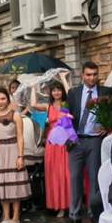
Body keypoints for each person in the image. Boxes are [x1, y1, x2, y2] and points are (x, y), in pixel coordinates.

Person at [64, 62, 107, 223]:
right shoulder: (73, 93)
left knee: (94, 177)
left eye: (95, 74)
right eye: (88, 74)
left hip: (95, 140)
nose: (92, 78)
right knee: (75, 177)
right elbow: (65, 114)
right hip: (75, 140)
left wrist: (108, 126)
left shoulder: (105, 92)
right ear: (82, 75)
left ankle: (93, 212)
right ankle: (74, 214)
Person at [0, 87, 28, 223]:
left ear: (8, 99)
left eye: (3, 98)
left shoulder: (15, 115)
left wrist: (20, 156)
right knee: (2, 183)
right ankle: (6, 216)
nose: (0, 102)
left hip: (12, 150)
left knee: (13, 183)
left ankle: (15, 216)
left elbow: (20, 137)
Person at [42, 80, 72, 216]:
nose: (56, 92)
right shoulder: (48, 106)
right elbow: (32, 104)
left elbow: (71, 93)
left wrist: (64, 79)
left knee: (65, 173)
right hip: (52, 143)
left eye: (59, 90)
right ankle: (58, 205)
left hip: (64, 142)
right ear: (51, 92)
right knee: (53, 173)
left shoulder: (67, 104)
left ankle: (68, 205)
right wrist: (32, 86)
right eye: (54, 90)